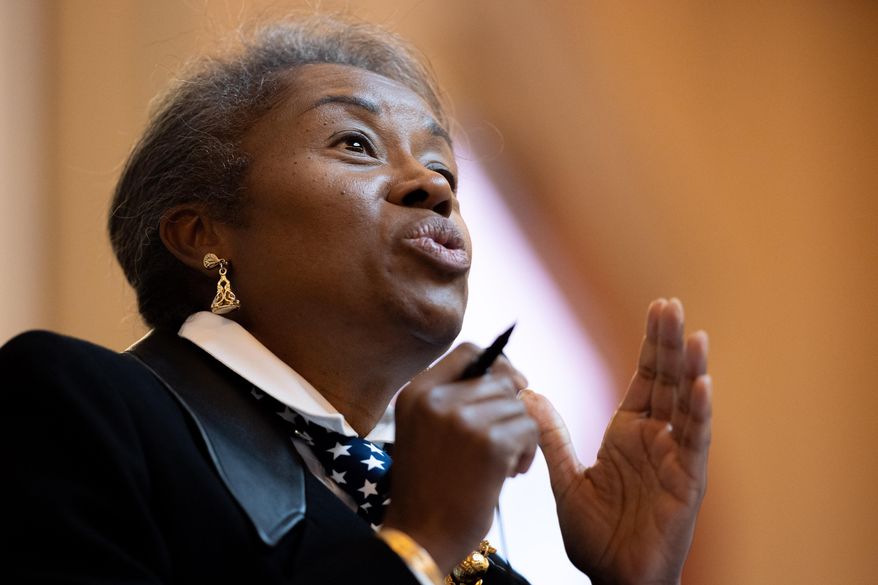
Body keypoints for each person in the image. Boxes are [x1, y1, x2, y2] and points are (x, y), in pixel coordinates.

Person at [1, 15, 712, 585]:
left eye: (442, 168)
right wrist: (417, 542)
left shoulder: (477, 559)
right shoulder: (72, 408)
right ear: (204, 234)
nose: (432, 188)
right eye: (355, 142)